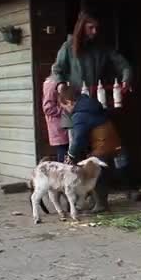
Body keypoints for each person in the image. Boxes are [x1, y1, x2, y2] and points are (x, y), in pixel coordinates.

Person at [52, 9, 133, 145]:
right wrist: (61, 86)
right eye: (91, 27)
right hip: (75, 109)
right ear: (81, 27)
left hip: (96, 108)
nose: (95, 31)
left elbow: (124, 65)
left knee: (100, 152)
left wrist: (126, 80)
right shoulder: (68, 47)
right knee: (77, 153)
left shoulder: (102, 48)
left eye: (96, 28)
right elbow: (57, 69)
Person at [58, 85, 122, 213]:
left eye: (64, 107)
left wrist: (70, 155)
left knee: (94, 173)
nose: (65, 111)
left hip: (102, 144)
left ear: (69, 102)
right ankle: (97, 201)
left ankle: (101, 205)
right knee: (101, 171)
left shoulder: (80, 114)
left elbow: (78, 139)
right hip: (111, 140)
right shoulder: (89, 103)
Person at [42, 66, 69, 162]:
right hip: (58, 125)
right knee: (63, 153)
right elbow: (48, 108)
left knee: (65, 152)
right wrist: (64, 109)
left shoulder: (57, 83)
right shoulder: (51, 84)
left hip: (63, 124)